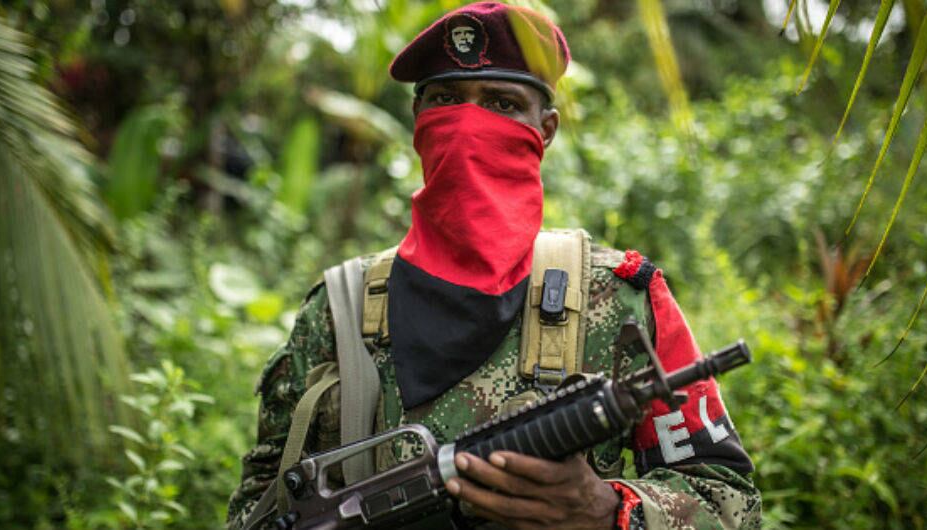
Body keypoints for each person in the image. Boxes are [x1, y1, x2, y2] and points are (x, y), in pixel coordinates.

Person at [227, 2, 760, 529]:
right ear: (417, 119)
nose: (468, 124)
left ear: (545, 130)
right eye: (445, 99)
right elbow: (261, 502)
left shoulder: (621, 300)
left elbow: (730, 503)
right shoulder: (338, 309)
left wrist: (605, 510)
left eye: (502, 103)